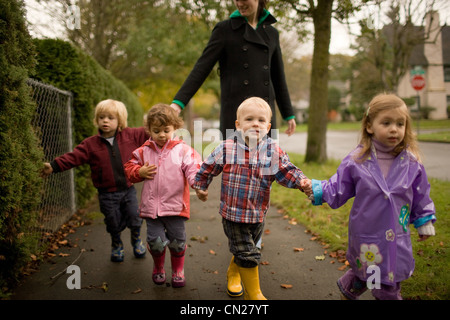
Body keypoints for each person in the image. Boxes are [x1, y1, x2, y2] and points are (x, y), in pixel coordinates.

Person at [308, 93, 436, 300]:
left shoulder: (412, 164)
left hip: (397, 235)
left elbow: (421, 194)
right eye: (386, 123)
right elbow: (338, 186)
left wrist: (424, 219)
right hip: (368, 234)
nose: (394, 129)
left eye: (400, 123)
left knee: (384, 277)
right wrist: (318, 190)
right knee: (373, 274)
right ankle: (352, 287)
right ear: (369, 126)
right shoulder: (356, 161)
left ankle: (348, 288)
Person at [193, 97, 311, 299]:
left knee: (245, 249)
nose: (255, 123)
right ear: (238, 125)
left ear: (268, 126)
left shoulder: (273, 150)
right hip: (232, 214)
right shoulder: (227, 148)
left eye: (261, 120)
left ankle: (233, 273)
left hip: (258, 214)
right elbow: (207, 168)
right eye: (249, 119)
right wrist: (201, 187)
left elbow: (286, 171)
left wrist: (302, 182)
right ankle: (254, 295)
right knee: (248, 253)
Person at [42, 99, 149, 262]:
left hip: (128, 190)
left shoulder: (131, 136)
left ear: (120, 121)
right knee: (112, 222)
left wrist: (159, 122)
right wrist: (53, 166)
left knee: (135, 217)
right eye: (101, 117)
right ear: (97, 120)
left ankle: (136, 240)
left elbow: (151, 131)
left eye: (110, 118)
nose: (105, 121)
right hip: (107, 193)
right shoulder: (90, 144)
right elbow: (73, 157)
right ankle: (116, 244)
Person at [170, 0, 296, 139]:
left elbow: (278, 77)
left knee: (265, 159)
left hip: (263, 115)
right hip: (235, 114)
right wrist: (178, 103)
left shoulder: (272, 33)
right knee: (233, 159)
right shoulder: (224, 30)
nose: (239, 3)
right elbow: (202, 67)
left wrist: (288, 113)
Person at [124, 104, 202, 288]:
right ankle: (158, 267)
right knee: (156, 243)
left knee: (177, 242)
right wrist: (139, 171)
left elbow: (194, 168)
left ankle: (178, 271)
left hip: (175, 207)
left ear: (175, 128)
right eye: (156, 130)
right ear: (149, 130)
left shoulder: (182, 150)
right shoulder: (143, 151)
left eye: (166, 130)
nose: (161, 134)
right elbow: (129, 168)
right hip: (152, 209)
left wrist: (197, 185)